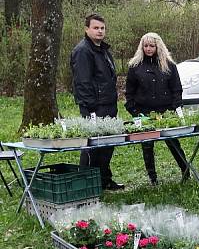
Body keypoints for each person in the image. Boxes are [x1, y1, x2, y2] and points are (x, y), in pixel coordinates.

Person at [125, 33, 189, 185]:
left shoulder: (169, 65)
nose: (148, 49)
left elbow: (176, 89)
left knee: (173, 143)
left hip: (166, 111)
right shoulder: (135, 66)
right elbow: (129, 92)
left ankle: (185, 171)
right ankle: (153, 178)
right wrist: (135, 112)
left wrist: (174, 109)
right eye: (145, 46)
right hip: (144, 112)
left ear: (158, 46)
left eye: (151, 46)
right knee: (147, 145)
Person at [70, 13, 124, 190]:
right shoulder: (83, 51)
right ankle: (86, 183)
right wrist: (90, 107)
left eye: (102, 28)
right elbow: (82, 82)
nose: (100, 31)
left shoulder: (103, 50)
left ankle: (104, 179)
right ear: (87, 29)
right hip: (94, 106)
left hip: (109, 104)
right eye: (96, 28)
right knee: (93, 146)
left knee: (108, 144)